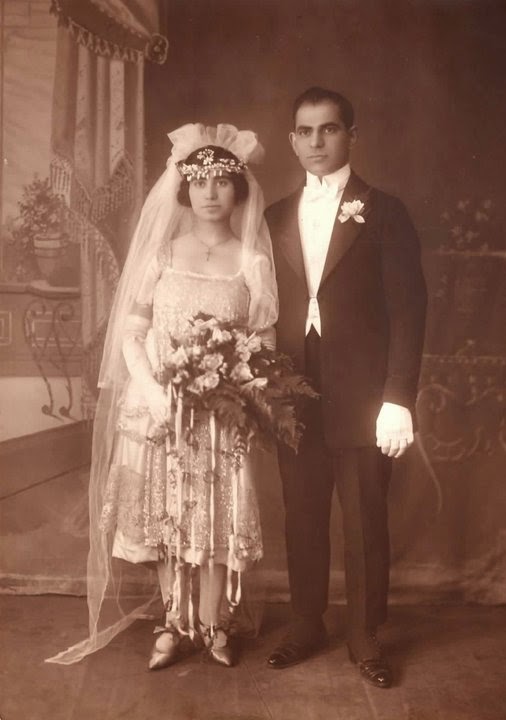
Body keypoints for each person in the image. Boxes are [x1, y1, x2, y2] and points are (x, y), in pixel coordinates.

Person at [46, 124, 278, 669]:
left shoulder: (252, 261)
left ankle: (215, 624)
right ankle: (174, 623)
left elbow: (264, 338)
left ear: (238, 190)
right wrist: (152, 391)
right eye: (199, 182)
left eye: (222, 181)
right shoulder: (162, 254)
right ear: (184, 189)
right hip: (160, 409)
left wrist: (245, 388)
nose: (210, 193)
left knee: (216, 518)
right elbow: (131, 333)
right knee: (164, 515)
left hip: (222, 414)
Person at [264, 87, 427, 688]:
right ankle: (306, 622)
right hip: (294, 390)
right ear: (292, 141)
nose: (316, 142)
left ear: (351, 136)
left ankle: (364, 633)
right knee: (302, 513)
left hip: (362, 394)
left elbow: (409, 310)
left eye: (329, 130)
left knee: (363, 519)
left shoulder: (384, 211)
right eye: (305, 132)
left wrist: (398, 397)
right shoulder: (273, 216)